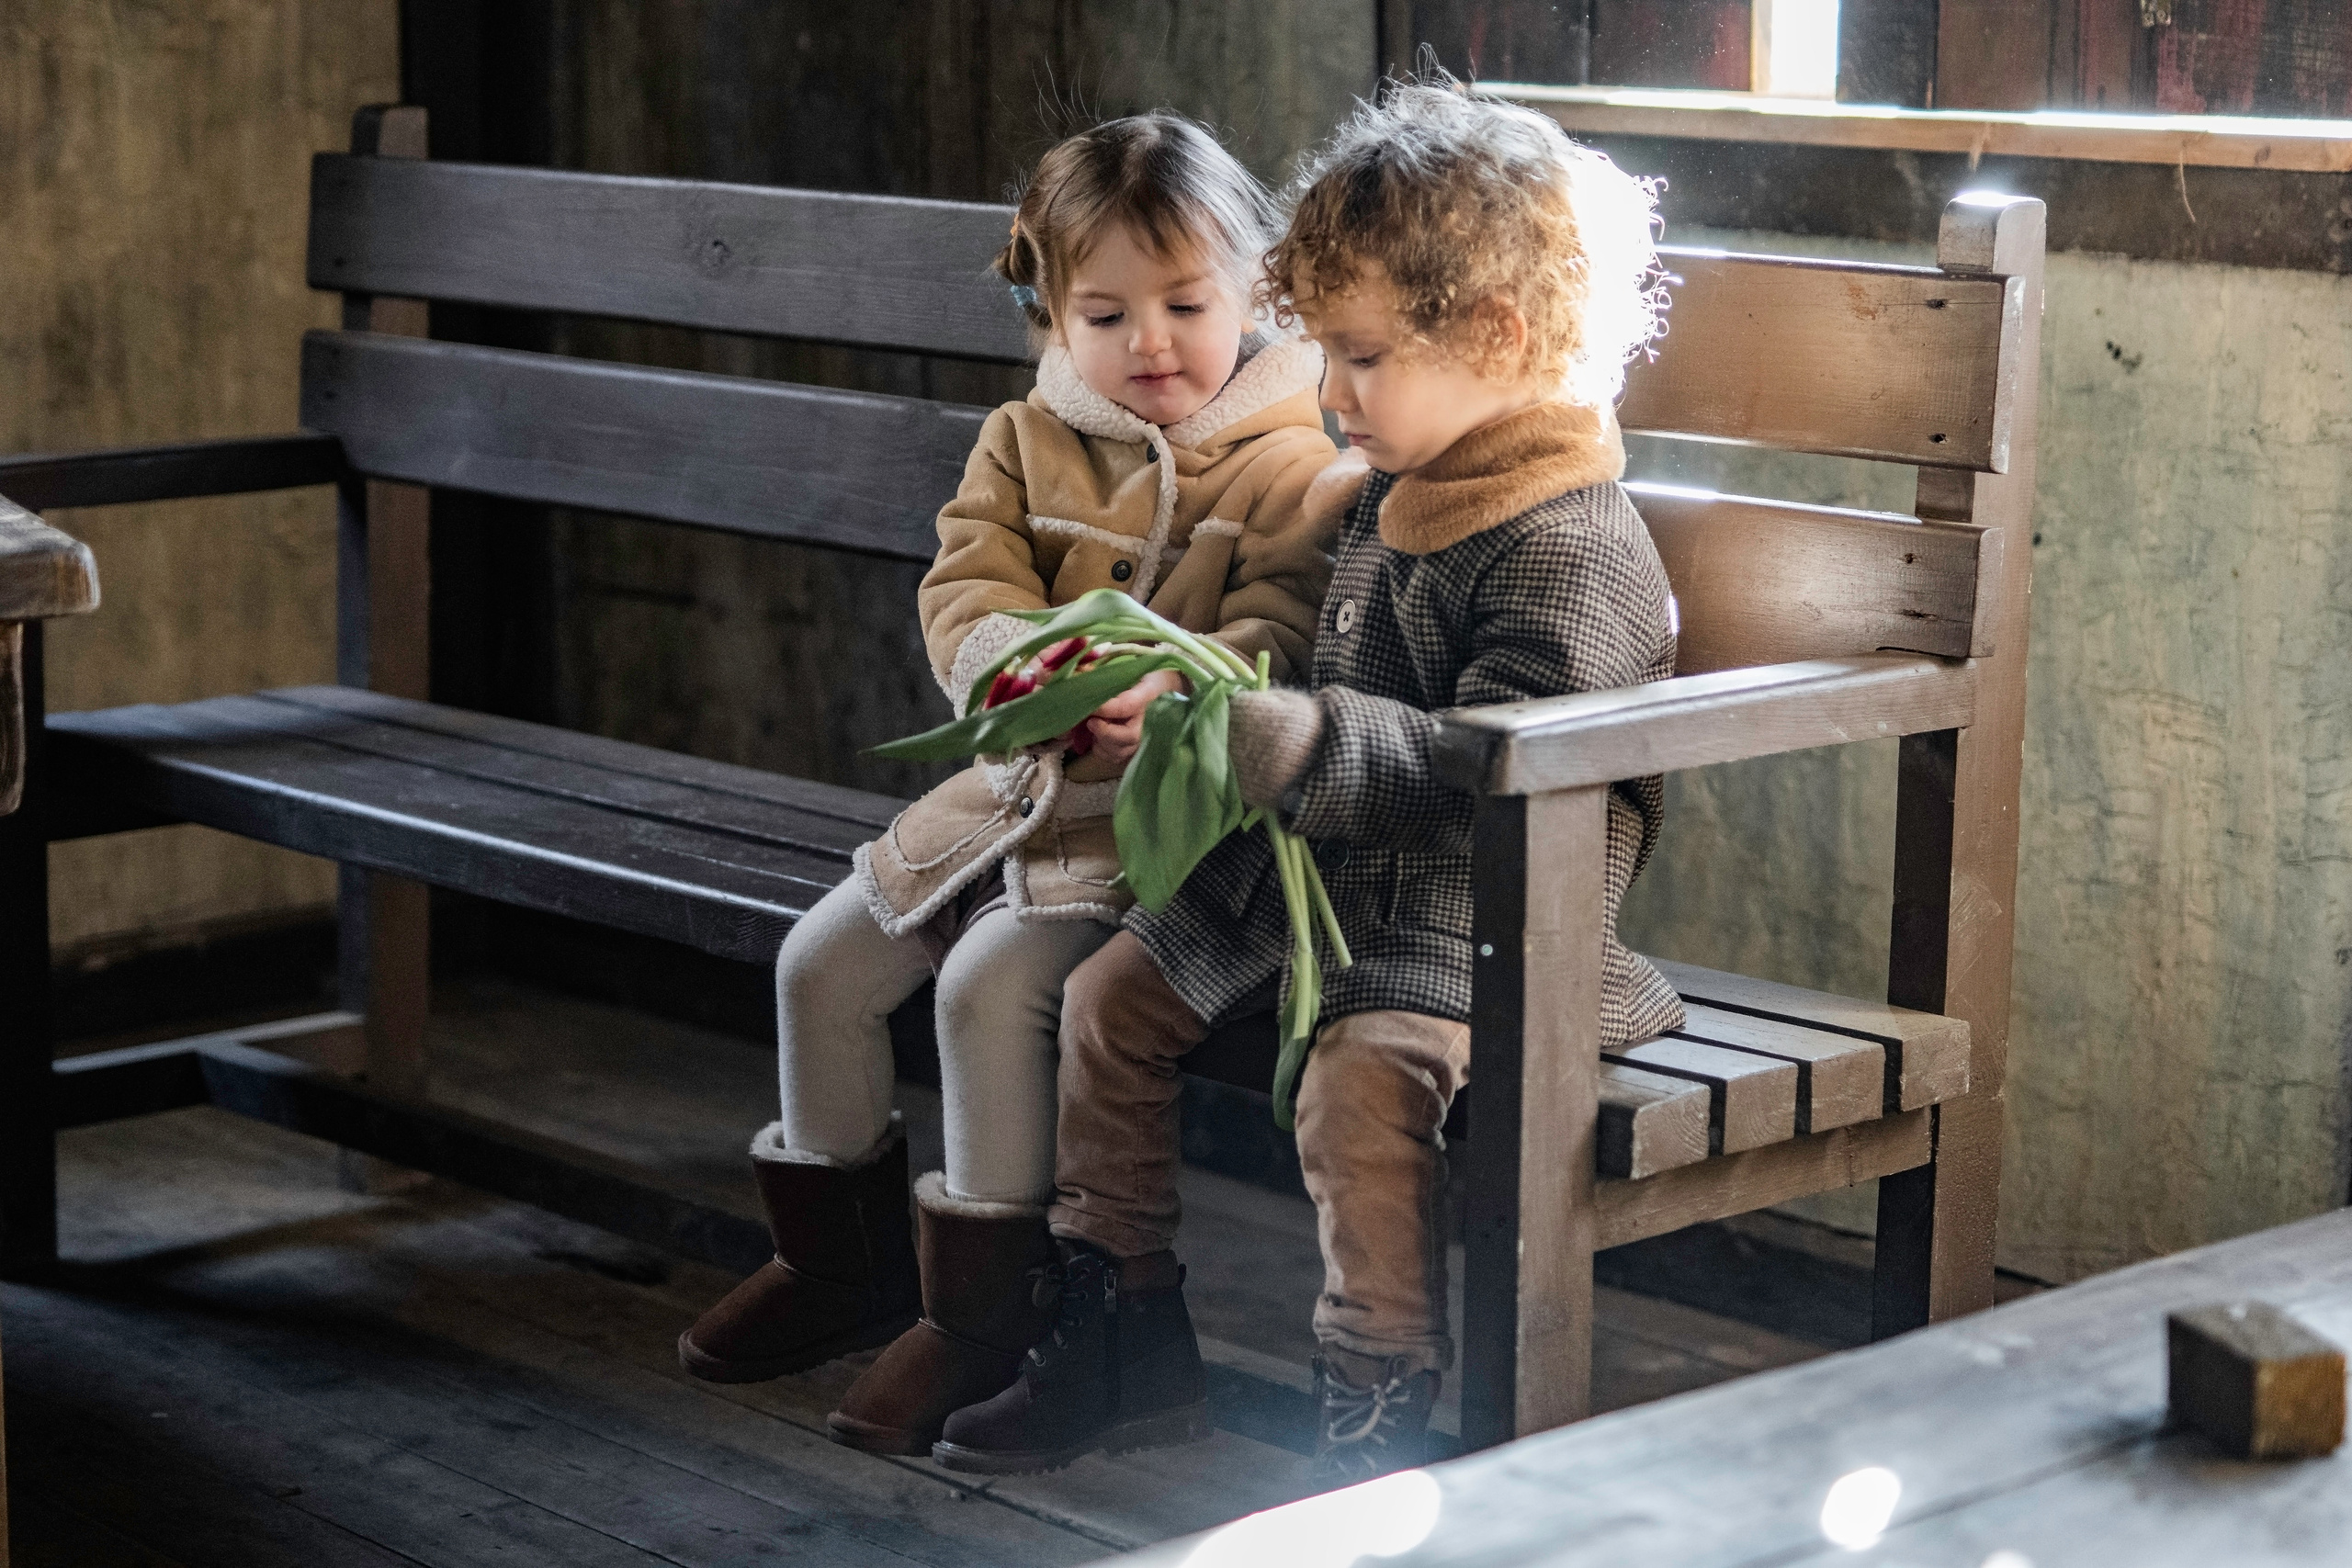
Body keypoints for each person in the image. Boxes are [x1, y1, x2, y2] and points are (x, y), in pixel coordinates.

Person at [930, 79, 1686, 1483]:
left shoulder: (1568, 548)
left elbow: (1505, 764)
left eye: (1357, 357)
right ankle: (1124, 1332)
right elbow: (1293, 658)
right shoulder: (1402, 488)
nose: (1325, 391)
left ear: (1501, 339)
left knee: (1360, 1086)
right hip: (1314, 887)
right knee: (1108, 1001)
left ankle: (1380, 1390)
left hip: (1480, 925)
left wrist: (1299, 739)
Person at [676, 111, 1345, 1461]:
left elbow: (1284, 627)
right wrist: (1001, 666)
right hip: (1001, 805)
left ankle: (985, 1313)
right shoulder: (1025, 438)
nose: (1150, 343)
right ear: (1049, 305)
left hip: (1153, 842)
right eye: (1105, 313)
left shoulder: (1296, 464)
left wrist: (1168, 690)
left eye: (1186, 305)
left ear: (1257, 291)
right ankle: (839, 1269)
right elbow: (968, 578)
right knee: (820, 966)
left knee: (991, 990)